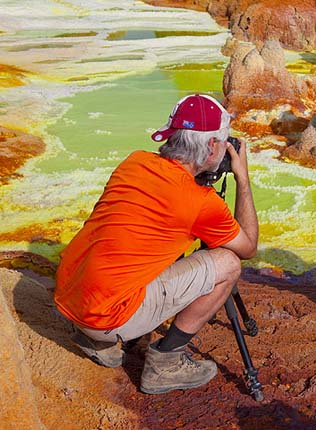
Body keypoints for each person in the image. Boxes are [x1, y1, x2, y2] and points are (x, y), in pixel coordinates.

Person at [54, 93, 258, 394]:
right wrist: (243, 178)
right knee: (228, 264)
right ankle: (165, 364)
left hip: (70, 298)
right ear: (213, 146)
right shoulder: (200, 203)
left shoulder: (134, 162)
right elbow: (249, 247)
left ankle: (98, 342)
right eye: (225, 140)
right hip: (107, 316)